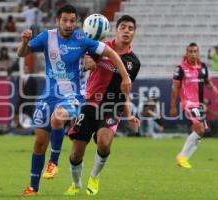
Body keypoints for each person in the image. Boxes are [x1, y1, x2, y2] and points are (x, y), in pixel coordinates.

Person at [17, 5, 131, 197]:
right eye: (65, 20)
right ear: (57, 21)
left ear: (76, 22)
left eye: (72, 21)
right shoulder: (47, 37)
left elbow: (111, 53)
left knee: (58, 118)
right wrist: (24, 42)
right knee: (39, 143)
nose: (69, 24)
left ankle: (53, 163)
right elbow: (22, 53)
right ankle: (33, 188)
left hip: (72, 96)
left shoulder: (82, 40)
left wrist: (125, 76)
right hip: (48, 96)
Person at [64, 15, 140, 196]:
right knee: (76, 153)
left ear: (134, 33)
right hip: (90, 103)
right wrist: (88, 61)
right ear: (116, 30)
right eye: (123, 27)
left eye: (130, 28)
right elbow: (88, 60)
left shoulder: (134, 62)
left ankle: (94, 177)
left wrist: (128, 114)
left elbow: (126, 89)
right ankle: (76, 184)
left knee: (105, 143)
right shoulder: (101, 47)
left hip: (113, 106)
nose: (127, 31)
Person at [170, 42, 218, 169]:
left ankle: (183, 158)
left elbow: (206, 80)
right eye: (190, 51)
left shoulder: (202, 67)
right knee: (200, 129)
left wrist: (212, 87)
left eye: (195, 51)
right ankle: (181, 157)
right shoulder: (180, 69)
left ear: (198, 53)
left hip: (200, 105)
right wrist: (173, 106)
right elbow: (175, 88)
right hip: (189, 103)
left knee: (201, 133)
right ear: (186, 53)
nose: (192, 54)